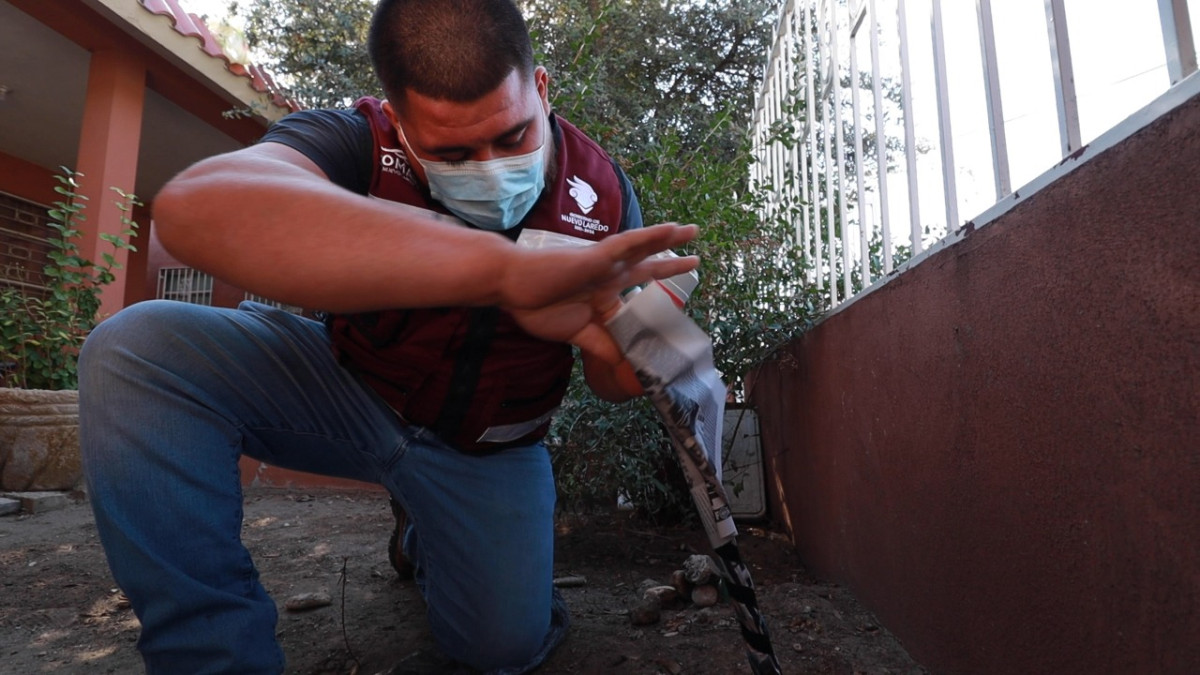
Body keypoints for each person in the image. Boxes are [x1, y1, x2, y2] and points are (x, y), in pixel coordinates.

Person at [77, 0, 698, 672]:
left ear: (541, 89)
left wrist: (643, 357)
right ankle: (212, 654)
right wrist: (505, 270)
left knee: (502, 648)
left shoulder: (602, 196)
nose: (490, 171)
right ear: (399, 121)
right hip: (344, 391)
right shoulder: (353, 140)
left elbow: (611, 378)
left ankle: (432, 534)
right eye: (452, 153)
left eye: (513, 137)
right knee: (135, 349)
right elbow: (196, 210)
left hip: (488, 449)